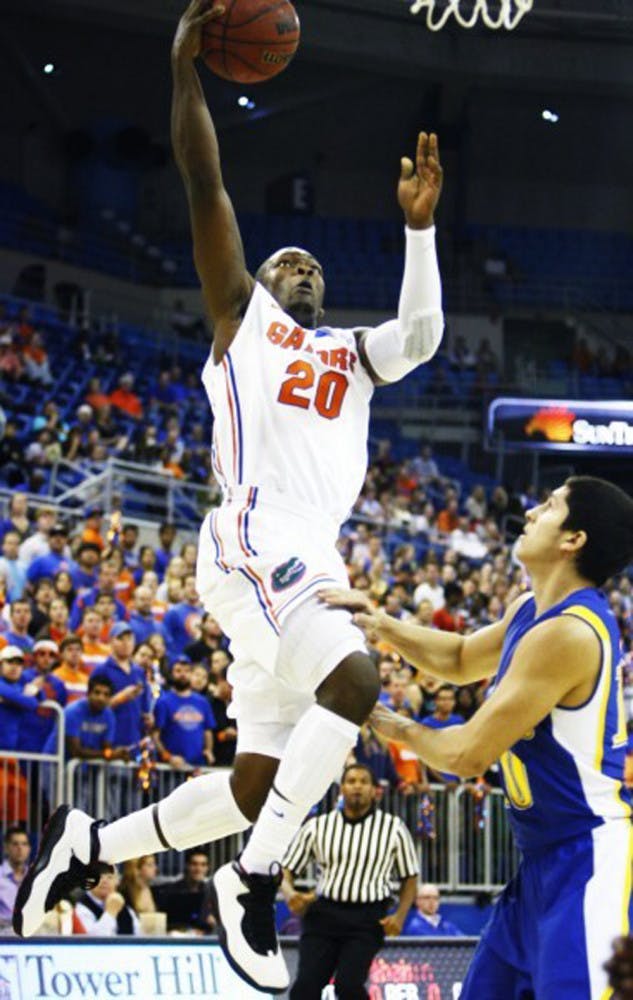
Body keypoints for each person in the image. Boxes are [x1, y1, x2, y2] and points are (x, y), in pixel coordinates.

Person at [12, 6, 444, 995]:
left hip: (305, 561)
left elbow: (419, 335)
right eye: (288, 261)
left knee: (260, 786)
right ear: (258, 279)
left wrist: (418, 230)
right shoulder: (242, 322)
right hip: (257, 536)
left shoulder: (350, 357)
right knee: (358, 687)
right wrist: (185, 75)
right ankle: (248, 884)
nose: (303, 268)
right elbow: (204, 180)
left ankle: (89, 840)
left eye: (314, 268)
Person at [321, 475, 633, 999]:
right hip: (538, 862)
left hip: (589, 858)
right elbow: (462, 658)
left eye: (551, 505)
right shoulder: (529, 609)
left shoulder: (569, 633)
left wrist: (388, 722)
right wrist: (378, 625)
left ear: (572, 540)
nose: (532, 512)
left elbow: (466, 754)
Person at [281, 763, 419, 999]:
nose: (357, 786)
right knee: (305, 987)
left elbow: (410, 877)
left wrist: (400, 916)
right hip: (323, 914)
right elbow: (286, 868)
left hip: (367, 919)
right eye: (351, 781)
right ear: (341, 789)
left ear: (375, 790)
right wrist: (289, 893)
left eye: (364, 782)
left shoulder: (393, 828)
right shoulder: (318, 826)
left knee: (348, 986)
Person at [151, 658, 216, 769]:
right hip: (171, 768)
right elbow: (155, 736)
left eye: (187, 671)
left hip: (197, 766)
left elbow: (207, 731)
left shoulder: (202, 702)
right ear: (171, 674)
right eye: (178, 671)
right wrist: (168, 757)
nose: (183, 674)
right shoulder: (163, 702)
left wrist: (208, 750)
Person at [156, 848, 215, 934]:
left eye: (203, 865)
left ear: (207, 868)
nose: (199, 869)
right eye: (194, 864)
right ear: (187, 865)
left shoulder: (211, 892)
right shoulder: (170, 892)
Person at [74, 869, 139, 936]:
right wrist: (110, 912)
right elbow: (92, 942)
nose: (104, 881)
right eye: (99, 877)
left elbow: (140, 937)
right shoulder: (81, 908)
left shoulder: (125, 907)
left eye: (110, 877)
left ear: (117, 882)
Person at [0, 827, 31, 931]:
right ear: (6, 848)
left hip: (32, 934)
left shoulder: (35, 878)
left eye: (24, 844)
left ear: (29, 849)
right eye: (15, 844)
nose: (20, 848)